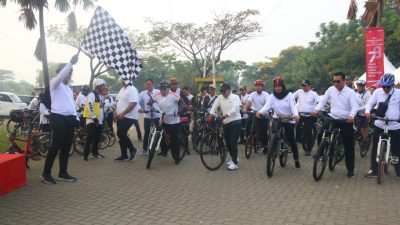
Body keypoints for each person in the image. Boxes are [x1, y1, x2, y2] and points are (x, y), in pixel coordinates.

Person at [312, 72, 359, 177]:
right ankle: (321, 152)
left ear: (344, 81)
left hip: (346, 121)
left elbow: (355, 106)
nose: (335, 83)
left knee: (349, 145)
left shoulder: (350, 92)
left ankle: (350, 169)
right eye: (334, 81)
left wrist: (351, 115)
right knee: (321, 133)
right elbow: (323, 101)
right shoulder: (330, 90)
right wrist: (316, 110)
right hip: (333, 118)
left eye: (338, 81)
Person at [41, 54, 79, 184]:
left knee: (66, 147)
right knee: (54, 147)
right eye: (67, 73)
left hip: (70, 119)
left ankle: (63, 173)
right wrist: (70, 64)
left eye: (70, 73)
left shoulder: (68, 88)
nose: (69, 75)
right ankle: (46, 174)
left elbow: (71, 105)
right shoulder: (54, 83)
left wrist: (76, 117)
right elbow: (60, 77)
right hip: (58, 118)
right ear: (61, 73)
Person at [257, 76, 301, 168]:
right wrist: (260, 112)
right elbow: (267, 106)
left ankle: (296, 159)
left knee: (291, 139)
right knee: (272, 134)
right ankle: (272, 150)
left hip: (288, 119)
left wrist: (296, 115)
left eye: (279, 86)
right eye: (276, 86)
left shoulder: (289, 95)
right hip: (277, 118)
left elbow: (293, 107)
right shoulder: (272, 96)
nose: (277, 88)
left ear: (283, 86)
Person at [364, 73, 400, 178]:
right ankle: (374, 170)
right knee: (375, 147)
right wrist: (367, 112)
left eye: (387, 86)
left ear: (392, 85)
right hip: (379, 123)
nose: (385, 88)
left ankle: (398, 170)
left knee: (396, 149)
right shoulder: (377, 92)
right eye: (383, 86)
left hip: (394, 125)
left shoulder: (398, 93)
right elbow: (370, 103)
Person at [210, 83, 242, 170]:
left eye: (224, 91)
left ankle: (235, 163)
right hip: (226, 122)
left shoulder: (235, 97)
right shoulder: (220, 97)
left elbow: (235, 108)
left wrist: (226, 115)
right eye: (221, 91)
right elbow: (214, 106)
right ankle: (233, 158)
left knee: (233, 142)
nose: (222, 93)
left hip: (236, 121)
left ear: (229, 90)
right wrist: (211, 114)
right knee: (227, 143)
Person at [152, 82, 181, 164]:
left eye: (164, 89)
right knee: (160, 134)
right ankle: (163, 150)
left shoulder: (174, 95)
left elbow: (182, 103)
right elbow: (150, 102)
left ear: (168, 89)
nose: (162, 90)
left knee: (174, 140)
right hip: (163, 119)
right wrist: (151, 106)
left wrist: (180, 111)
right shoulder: (157, 95)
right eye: (161, 89)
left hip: (173, 120)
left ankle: (176, 156)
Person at [114, 78, 139, 161]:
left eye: (123, 79)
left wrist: (123, 113)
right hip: (120, 116)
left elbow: (133, 103)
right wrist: (115, 114)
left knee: (121, 133)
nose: (121, 81)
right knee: (121, 135)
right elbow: (117, 102)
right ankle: (124, 155)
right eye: (121, 79)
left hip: (129, 116)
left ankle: (133, 149)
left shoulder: (132, 89)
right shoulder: (122, 90)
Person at [293, 79, 320, 156]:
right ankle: (301, 140)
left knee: (308, 132)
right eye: (302, 85)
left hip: (310, 116)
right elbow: (291, 97)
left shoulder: (313, 94)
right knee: (297, 128)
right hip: (301, 114)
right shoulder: (299, 92)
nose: (303, 87)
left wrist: (316, 111)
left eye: (305, 85)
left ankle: (308, 149)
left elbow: (319, 102)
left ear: (309, 86)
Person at [243, 79, 269, 154]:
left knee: (262, 131)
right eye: (257, 86)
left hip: (263, 114)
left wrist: (261, 112)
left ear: (262, 87)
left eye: (260, 86)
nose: (258, 87)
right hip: (254, 113)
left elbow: (267, 104)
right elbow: (248, 102)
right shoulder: (252, 94)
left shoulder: (266, 94)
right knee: (248, 123)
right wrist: (245, 108)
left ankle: (265, 146)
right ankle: (248, 138)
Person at [83, 79, 106, 161]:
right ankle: (85, 155)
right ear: (98, 86)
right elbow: (90, 105)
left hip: (98, 120)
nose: (104, 87)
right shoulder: (92, 94)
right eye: (102, 86)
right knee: (90, 138)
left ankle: (95, 153)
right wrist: (94, 117)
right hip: (92, 120)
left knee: (97, 138)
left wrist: (102, 105)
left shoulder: (99, 95)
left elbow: (97, 106)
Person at [138, 79, 160, 156]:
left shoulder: (158, 92)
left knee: (159, 131)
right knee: (147, 132)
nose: (148, 86)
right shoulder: (143, 93)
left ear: (152, 84)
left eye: (149, 84)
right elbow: (136, 101)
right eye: (146, 84)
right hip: (147, 115)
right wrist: (139, 108)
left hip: (157, 115)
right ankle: (144, 149)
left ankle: (159, 147)